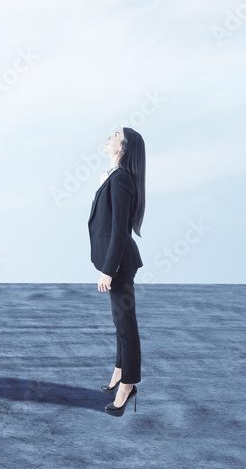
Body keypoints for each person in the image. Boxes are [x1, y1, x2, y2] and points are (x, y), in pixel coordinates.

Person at [88, 126, 145, 416]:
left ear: (123, 147)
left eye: (114, 134)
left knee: (126, 325)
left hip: (120, 263)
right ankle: (118, 373)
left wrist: (109, 270)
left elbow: (119, 229)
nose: (108, 137)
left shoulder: (121, 179)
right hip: (117, 261)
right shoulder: (114, 176)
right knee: (119, 322)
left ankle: (129, 384)